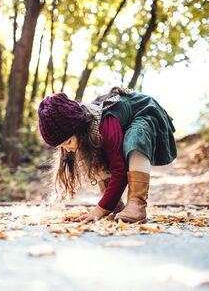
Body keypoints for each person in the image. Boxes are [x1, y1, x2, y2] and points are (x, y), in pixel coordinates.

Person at [37, 87, 177, 223]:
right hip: (124, 123)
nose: (68, 149)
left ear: (78, 129)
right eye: (62, 147)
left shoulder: (105, 124)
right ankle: (115, 206)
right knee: (95, 157)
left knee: (134, 139)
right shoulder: (87, 131)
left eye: (68, 142)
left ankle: (137, 204)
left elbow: (119, 171)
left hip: (146, 112)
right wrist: (108, 204)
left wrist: (100, 209)